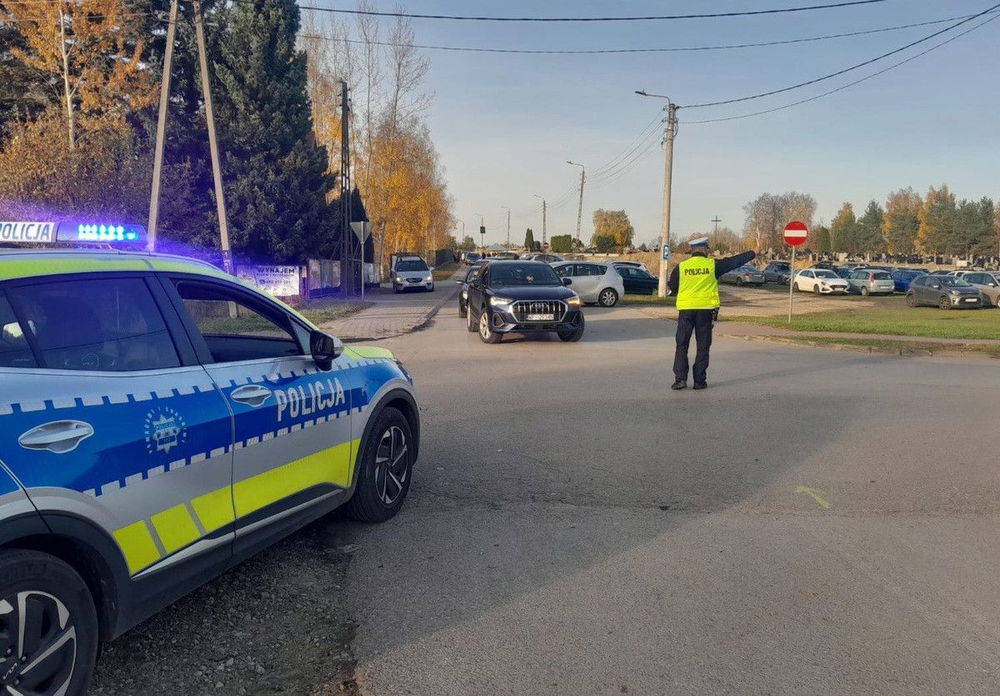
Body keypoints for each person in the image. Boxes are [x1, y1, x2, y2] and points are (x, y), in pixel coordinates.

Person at [667, 236, 756, 390]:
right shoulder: (712, 265)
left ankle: (680, 379)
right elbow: (734, 262)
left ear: (692, 250)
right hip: (705, 312)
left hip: (685, 311)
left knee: (682, 344)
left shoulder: (681, 267)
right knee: (703, 347)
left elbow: (673, 287)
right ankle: (699, 381)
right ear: (704, 249)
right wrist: (753, 253)